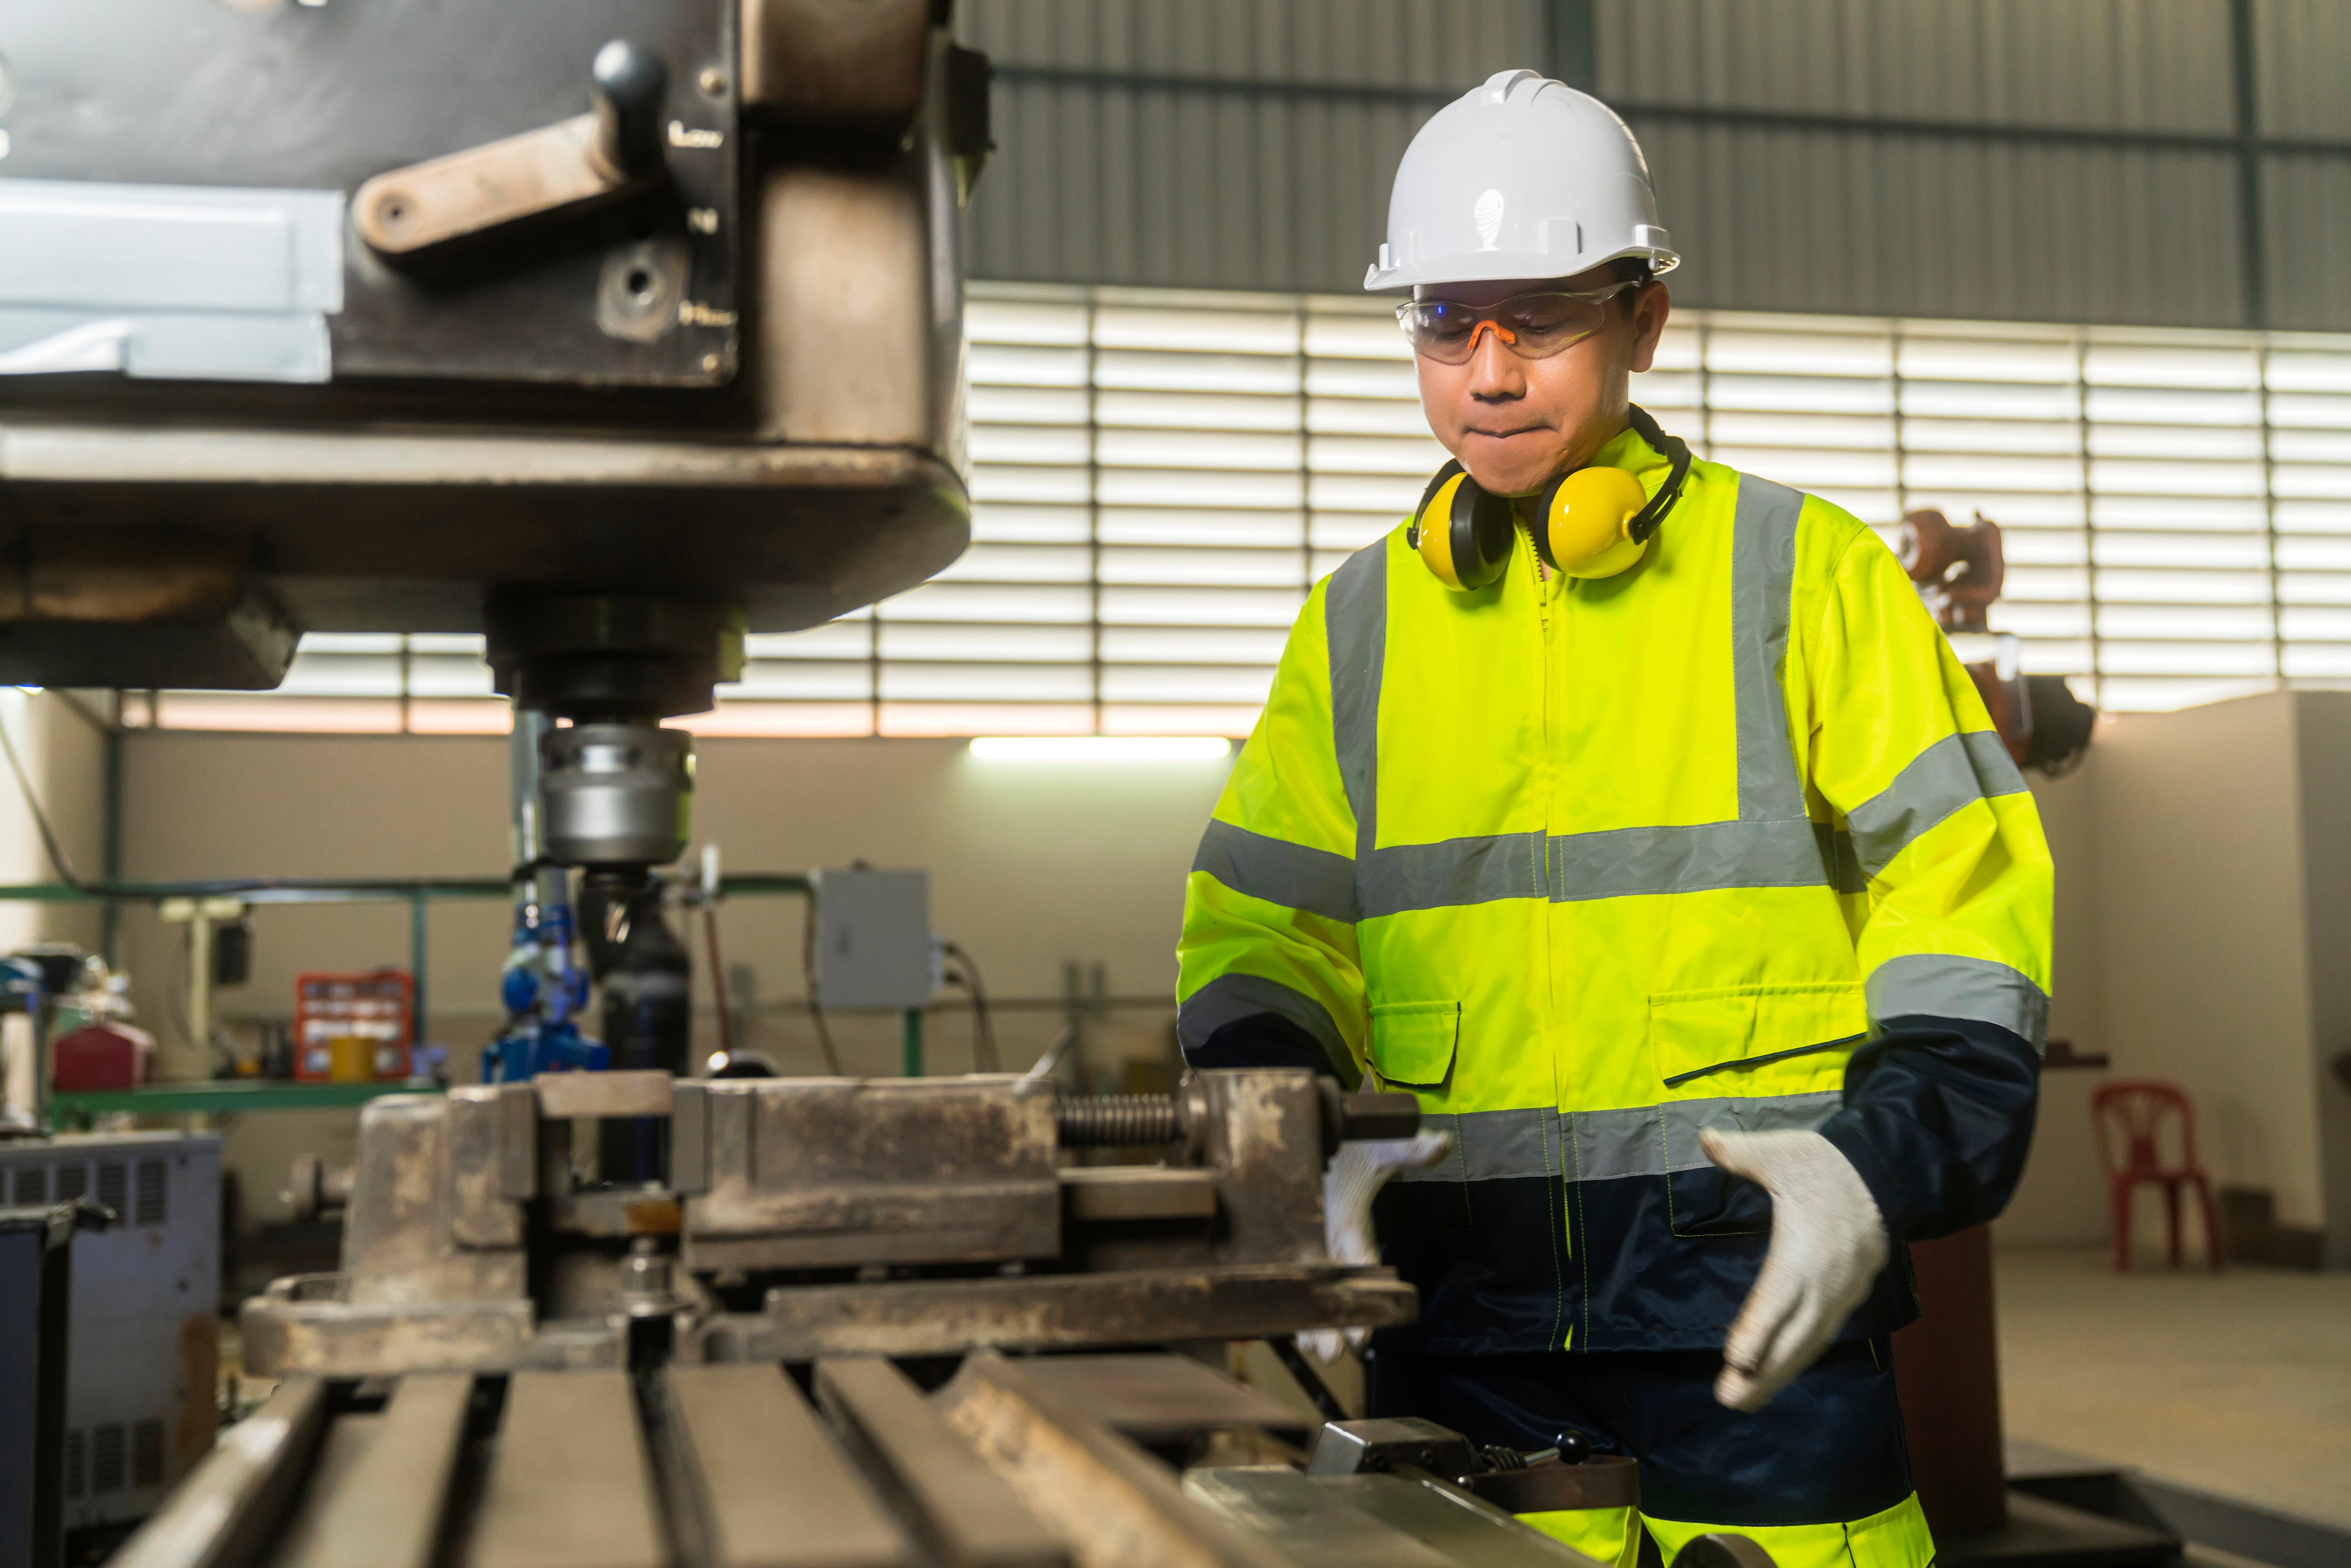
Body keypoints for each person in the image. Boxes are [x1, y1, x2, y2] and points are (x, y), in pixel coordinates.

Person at [1175, 70, 2051, 1568]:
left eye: (1540, 319)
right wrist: (1289, 1141)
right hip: (1455, 1324)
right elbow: (1267, 933)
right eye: (1446, 321)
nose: (1489, 374)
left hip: (1764, 1313)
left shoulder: (1807, 578)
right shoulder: (1358, 629)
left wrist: (1877, 1164)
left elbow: (1963, 906)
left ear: (1645, 323)